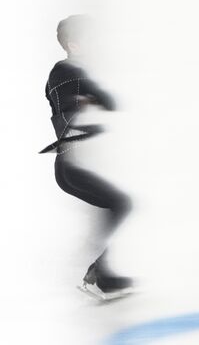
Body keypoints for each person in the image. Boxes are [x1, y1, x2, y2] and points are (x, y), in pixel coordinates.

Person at [41, 15, 133, 300]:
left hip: (75, 163)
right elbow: (107, 101)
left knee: (120, 205)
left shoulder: (72, 73)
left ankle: (99, 272)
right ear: (74, 44)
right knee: (122, 204)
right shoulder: (67, 72)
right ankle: (99, 275)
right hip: (75, 163)